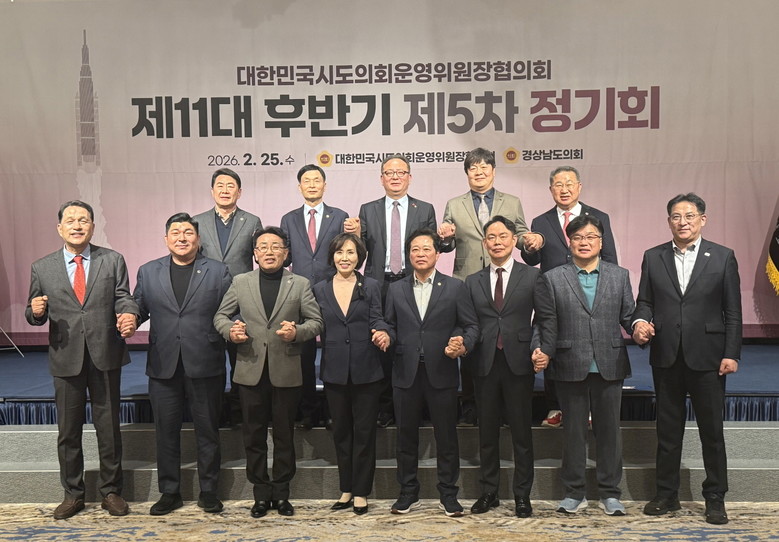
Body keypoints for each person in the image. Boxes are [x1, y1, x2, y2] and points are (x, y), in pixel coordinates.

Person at [25, 200, 138, 519]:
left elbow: (123, 296)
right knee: (68, 431)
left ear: (92, 226)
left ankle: (111, 491)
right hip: (66, 356)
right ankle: (73, 494)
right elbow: (33, 311)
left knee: (109, 427)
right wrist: (35, 312)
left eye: (84, 220)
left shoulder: (112, 260)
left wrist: (129, 313)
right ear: (60, 227)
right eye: (71, 220)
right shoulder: (42, 267)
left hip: (106, 353)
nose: (77, 225)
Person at [632, 193, 741, 525]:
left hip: (708, 356)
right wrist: (640, 323)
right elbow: (644, 301)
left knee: (712, 432)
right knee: (667, 431)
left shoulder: (722, 256)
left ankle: (715, 497)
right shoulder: (653, 256)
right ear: (669, 222)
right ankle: (667, 494)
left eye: (690, 216)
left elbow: (732, 311)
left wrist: (731, 352)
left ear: (702, 220)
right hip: (666, 355)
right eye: (676, 217)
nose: (683, 222)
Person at [213, 226, 323, 518]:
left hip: (286, 370)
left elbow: (316, 322)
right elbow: (221, 316)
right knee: (254, 436)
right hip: (250, 370)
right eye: (263, 247)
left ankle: (282, 494)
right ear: (255, 253)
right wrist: (231, 331)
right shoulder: (241, 282)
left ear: (286, 253)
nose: (269, 252)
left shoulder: (299, 284)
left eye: (276, 247)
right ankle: (260, 494)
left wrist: (297, 332)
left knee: (285, 436)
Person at [535, 215, 635, 516]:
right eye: (578, 237)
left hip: (609, 362)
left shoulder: (619, 275)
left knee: (609, 432)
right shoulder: (553, 278)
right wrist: (540, 349)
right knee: (573, 433)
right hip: (569, 362)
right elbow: (544, 322)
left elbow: (628, 316)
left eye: (591, 237)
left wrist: (640, 326)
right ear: (570, 243)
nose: (584, 242)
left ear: (601, 242)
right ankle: (574, 492)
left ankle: (610, 493)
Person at [133, 213, 232, 516]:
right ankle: (169, 492)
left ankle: (209, 491)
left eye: (188, 232)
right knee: (165, 432)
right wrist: (128, 318)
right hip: (163, 365)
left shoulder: (218, 271)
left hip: (205, 362)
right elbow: (138, 308)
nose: (182, 237)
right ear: (166, 239)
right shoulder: (148, 271)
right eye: (175, 232)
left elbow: (231, 310)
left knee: (208, 431)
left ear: (198, 239)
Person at [438, 147, 543, 426]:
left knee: (502, 337)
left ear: (494, 171)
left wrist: (532, 242)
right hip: (468, 282)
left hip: (503, 281)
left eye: (484, 167)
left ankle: (507, 406)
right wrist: (445, 237)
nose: (479, 172)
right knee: (470, 339)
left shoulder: (512, 202)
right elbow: (447, 244)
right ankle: (471, 404)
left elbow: (521, 236)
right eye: (473, 168)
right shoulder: (454, 204)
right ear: (467, 173)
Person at [384, 228, 479, 517]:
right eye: (415, 249)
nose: (420, 254)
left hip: (442, 370)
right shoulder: (396, 289)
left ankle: (448, 494)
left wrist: (462, 343)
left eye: (426, 249)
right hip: (406, 372)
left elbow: (470, 325)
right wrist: (384, 334)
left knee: (446, 438)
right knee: (405, 437)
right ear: (408, 255)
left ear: (438, 254)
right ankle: (407, 493)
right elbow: (389, 324)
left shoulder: (455, 287)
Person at [464, 215, 550, 518]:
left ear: (514, 240)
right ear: (484, 243)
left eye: (503, 236)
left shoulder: (532, 276)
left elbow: (544, 318)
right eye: (491, 237)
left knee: (521, 433)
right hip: (484, 362)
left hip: (519, 361)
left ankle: (522, 495)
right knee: (486, 432)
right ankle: (489, 492)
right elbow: (470, 323)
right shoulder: (472, 281)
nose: (497, 242)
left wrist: (541, 347)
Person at [344, 154, 437, 428]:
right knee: (381, 344)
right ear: (381, 178)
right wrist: (354, 234)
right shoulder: (367, 209)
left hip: (413, 282)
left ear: (410, 177)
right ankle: (385, 407)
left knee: (413, 340)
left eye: (401, 172)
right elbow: (360, 252)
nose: (395, 177)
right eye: (389, 173)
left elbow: (432, 248)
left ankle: (418, 405)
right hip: (379, 284)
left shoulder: (425, 209)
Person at [522, 165, 618, 429]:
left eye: (569, 184)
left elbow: (609, 258)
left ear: (579, 187)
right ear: (550, 189)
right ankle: (556, 406)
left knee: (588, 348)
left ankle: (588, 408)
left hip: (590, 295)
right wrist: (528, 247)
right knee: (553, 344)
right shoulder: (541, 222)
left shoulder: (598, 217)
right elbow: (532, 260)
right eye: (558, 185)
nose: (564, 190)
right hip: (553, 296)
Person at [312, 233, 390, 515]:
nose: (345, 258)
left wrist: (382, 332)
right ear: (332, 256)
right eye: (339, 252)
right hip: (334, 371)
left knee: (364, 433)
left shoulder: (371, 286)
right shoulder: (320, 288)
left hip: (366, 369)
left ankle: (361, 492)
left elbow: (378, 318)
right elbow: (315, 323)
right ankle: (346, 488)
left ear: (360, 257)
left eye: (351, 252)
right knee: (341, 433)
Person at [280, 164, 348, 429]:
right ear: (299, 187)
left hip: (333, 291)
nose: (311, 184)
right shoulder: (288, 219)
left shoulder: (339, 216)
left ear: (324, 185)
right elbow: (287, 258)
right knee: (303, 356)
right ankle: (308, 411)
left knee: (334, 353)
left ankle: (334, 411)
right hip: (299, 294)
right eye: (306, 181)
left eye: (316, 180)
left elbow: (345, 252)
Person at [194, 167, 263, 423]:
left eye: (230, 186)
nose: (225, 190)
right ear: (212, 191)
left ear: (239, 192)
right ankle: (213, 413)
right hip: (206, 297)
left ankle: (237, 413)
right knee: (209, 359)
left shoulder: (252, 221)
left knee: (240, 359)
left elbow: (259, 257)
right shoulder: (197, 221)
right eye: (220, 186)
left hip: (241, 300)